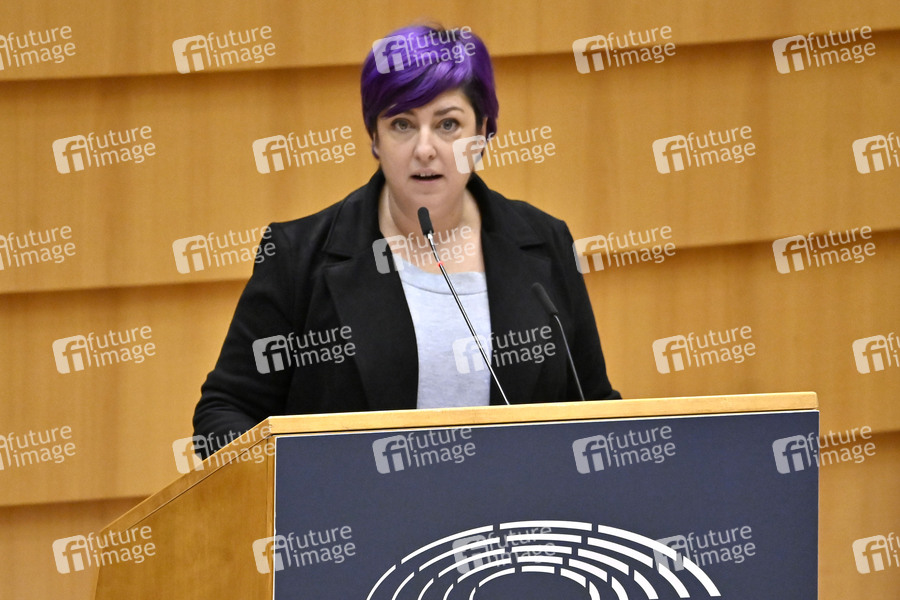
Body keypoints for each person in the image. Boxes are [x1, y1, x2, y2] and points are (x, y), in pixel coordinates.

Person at [192, 24, 620, 457]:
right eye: (402, 124)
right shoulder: (297, 256)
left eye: (448, 124)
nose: (425, 149)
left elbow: (594, 405)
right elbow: (225, 413)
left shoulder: (545, 242)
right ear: (375, 137)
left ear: (483, 132)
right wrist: (304, 484)